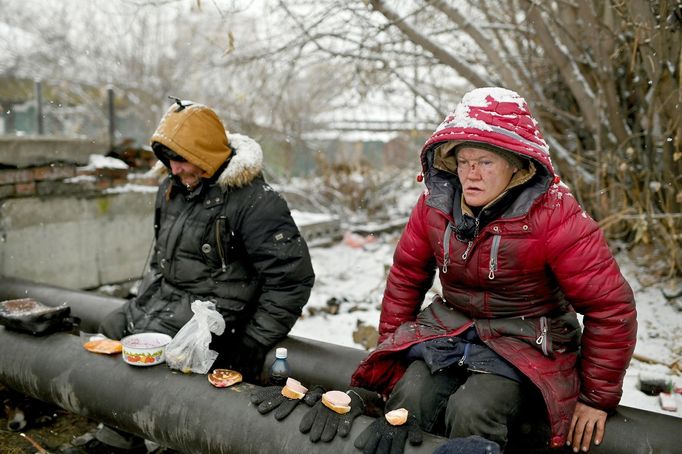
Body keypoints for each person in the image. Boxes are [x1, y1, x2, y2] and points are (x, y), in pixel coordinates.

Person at [350, 87, 637, 453]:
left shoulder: (556, 216)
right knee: (408, 397)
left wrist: (597, 398)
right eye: (464, 161)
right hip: (450, 328)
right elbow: (406, 277)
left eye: (485, 162)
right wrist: (389, 352)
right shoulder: (435, 206)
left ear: (517, 165)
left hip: (527, 338)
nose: (471, 174)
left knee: (472, 411)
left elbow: (611, 307)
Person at [71, 98, 315, 453]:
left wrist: (253, 341)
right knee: (111, 329)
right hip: (169, 301)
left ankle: (166, 438)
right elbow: (162, 261)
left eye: (183, 159)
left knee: (155, 355)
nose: (175, 168)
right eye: (168, 159)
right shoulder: (172, 189)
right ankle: (121, 433)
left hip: (219, 318)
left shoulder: (256, 202)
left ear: (208, 156)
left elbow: (292, 279)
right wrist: (141, 301)